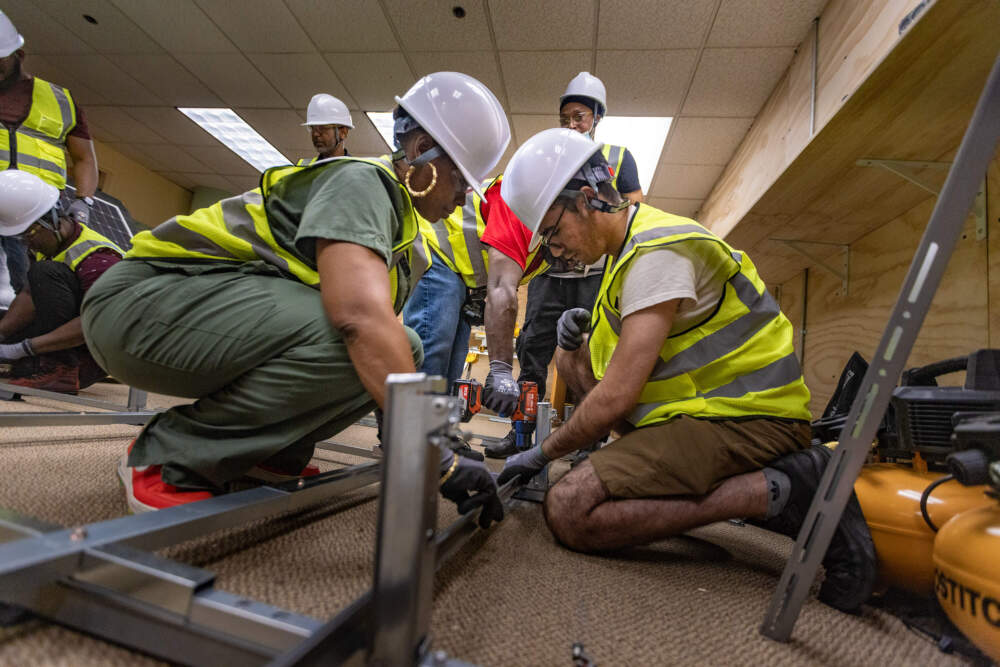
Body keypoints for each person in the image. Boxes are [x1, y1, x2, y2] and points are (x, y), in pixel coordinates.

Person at [81, 72, 510, 528]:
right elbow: (359, 319)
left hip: (185, 313)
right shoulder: (364, 183)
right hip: (138, 304)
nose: (465, 196)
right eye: (462, 178)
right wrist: (434, 451)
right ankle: (170, 457)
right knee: (358, 333)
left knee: (406, 346)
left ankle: (267, 454)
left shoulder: (403, 232)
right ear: (422, 148)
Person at [496, 128, 877, 613]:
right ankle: (766, 487)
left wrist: (541, 454)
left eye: (552, 233)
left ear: (587, 200)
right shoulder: (621, 263)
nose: (553, 250)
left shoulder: (656, 252)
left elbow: (613, 401)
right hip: (699, 418)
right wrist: (570, 352)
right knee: (584, 484)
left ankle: (787, 485)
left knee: (571, 508)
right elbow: (604, 396)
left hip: (750, 419)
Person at [486, 71, 643, 458]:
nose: (572, 124)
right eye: (566, 117)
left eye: (579, 116)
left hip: (593, 277)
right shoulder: (550, 157)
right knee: (533, 349)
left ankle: (589, 441)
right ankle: (521, 432)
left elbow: (634, 210)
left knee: (587, 353)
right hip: (550, 276)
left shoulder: (618, 158)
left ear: (597, 118)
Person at [402, 176, 549, 395]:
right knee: (433, 350)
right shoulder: (522, 204)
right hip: (434, 246)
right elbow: (501, 289)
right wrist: (501, 370)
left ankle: (433, 425)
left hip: (459, 273)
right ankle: (409, 425)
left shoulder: (547, 249)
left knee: (453, 363)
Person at [0, 10, 100, 296]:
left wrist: (84, 202)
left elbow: (85, 158)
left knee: (28, 288)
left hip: (34, 212)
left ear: (18, 56)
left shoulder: (61, 101)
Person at [0, 171, 122, 392]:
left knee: (46, 272)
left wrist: (25, 348)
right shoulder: (47, 244)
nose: (27, 245)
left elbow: (96, 322)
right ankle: (44, 363)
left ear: (50, 222)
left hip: (102, 345)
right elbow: (28, 296)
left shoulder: (99, 258)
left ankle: (65, 369)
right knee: (12, 346)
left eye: (28, 235)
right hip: (76, 329)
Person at [298, 93, 353, 165]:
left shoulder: (357, 172)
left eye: (323, 128)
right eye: (312, 128)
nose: (315, 134)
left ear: (343, 132)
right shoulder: (304, 168)